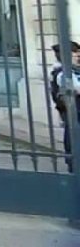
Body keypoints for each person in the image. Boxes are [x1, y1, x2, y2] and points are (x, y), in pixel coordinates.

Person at [49, 40, 80, 170]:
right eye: (75, 53)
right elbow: (76, 88)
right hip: (73, 110)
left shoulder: (73, 70)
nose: (78, 56)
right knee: (73, 137)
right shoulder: (62, 72)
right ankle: (73, 164)